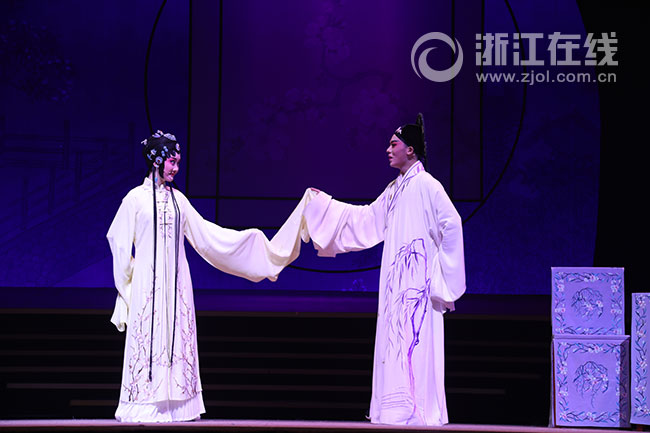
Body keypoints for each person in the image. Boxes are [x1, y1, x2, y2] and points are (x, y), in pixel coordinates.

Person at [106, 130, 313, 422]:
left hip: (177, 283)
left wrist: (250, 239)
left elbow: (207, 236)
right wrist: (129, 286)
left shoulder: (178, 201)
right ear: (156, 160)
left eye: (178, 162)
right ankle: (144, 404)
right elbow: (118, 241)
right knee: (148, 342)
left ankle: (178, 405)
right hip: (146, 286)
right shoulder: (134, 199)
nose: (176, 168)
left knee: (177, 338)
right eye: (171, 162)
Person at [303, 114, 466, 426]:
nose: (388, 150)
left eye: (394, 144)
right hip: (396, 283)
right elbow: (367, 220)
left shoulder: (428, 185)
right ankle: (395, 411)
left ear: (411, 150)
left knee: (414, 342)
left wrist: (439, 275)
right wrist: (324, 207)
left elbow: (452, 223)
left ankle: (418, 412)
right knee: (394, 341)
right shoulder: (394, 189)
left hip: (418, 285)